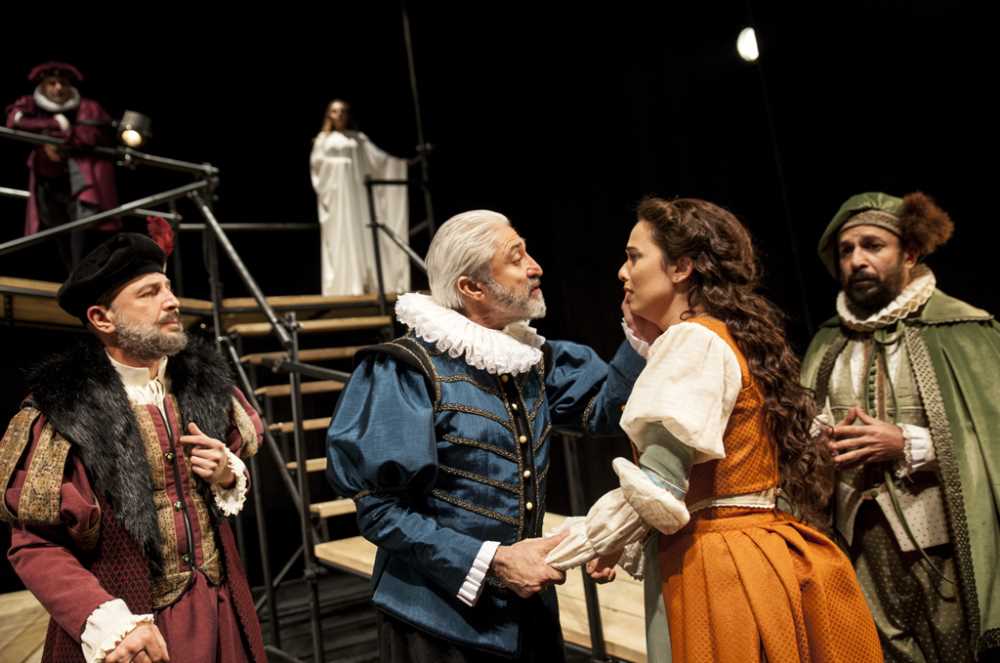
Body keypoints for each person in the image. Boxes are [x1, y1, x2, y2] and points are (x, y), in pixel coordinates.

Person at [546, 197, 882, 663]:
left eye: (634, 257)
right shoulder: (729, 335)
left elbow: (659, 488)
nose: (623, 273)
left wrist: (559, 549)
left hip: (719, 568)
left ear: (681, 267)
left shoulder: (692, 341)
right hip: (758, 552)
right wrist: (622, 539)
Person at [325, 209, 646, 662]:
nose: (535, 267)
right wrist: (494, 562)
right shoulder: (407, 370)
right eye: (516, 258)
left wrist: (639, 333)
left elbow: (604, 410)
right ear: (472, 288)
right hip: (438, 624)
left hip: (527, 610)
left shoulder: (526, 359)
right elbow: (380, 510)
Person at [0, 233, 266, 663]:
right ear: (102, 318)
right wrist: (109, 624)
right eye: (149, 292)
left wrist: (225, 473)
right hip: (132, 625)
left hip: (219, 608)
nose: (172, 301)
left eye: (168, 288)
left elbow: (238, 453)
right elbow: (34, 544)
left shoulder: (205, 385)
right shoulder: (65, 411)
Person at [800, 191, 1000, 662]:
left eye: (873, 245)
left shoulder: (964, 329)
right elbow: (803, 422)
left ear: (909, 253)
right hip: (858, 543)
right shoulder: (828, 340)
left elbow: (990, 439)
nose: (857, 260)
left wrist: (906, 443)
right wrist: (817, 443)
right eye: (846, 250)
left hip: (946, 544)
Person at [5, 61, 120, 271]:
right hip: (47, 181)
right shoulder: (31, 104)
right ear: (43, 86)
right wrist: (55, 125)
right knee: (58, 231)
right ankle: (72, 276)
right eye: (52, 83)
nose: (58, 88)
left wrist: (58, 134)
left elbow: (88, 137)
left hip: (76, 181)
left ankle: (79, 275)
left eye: (63, 83)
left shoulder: (86, 107)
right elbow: (14, 121)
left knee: (80, 230)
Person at [310, 98, 410, 296]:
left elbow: (379, 159)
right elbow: (316, 166)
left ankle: (364, 280)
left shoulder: (358, 138)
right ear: (329, 115)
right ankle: (342, 285)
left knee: (359, 230)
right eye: (335, 111)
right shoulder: (323, 139)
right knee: (338, 232)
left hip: (355, 193)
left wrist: (400, 164)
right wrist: (337, 167)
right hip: (336, 193)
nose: (339, 115)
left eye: (343, 111)